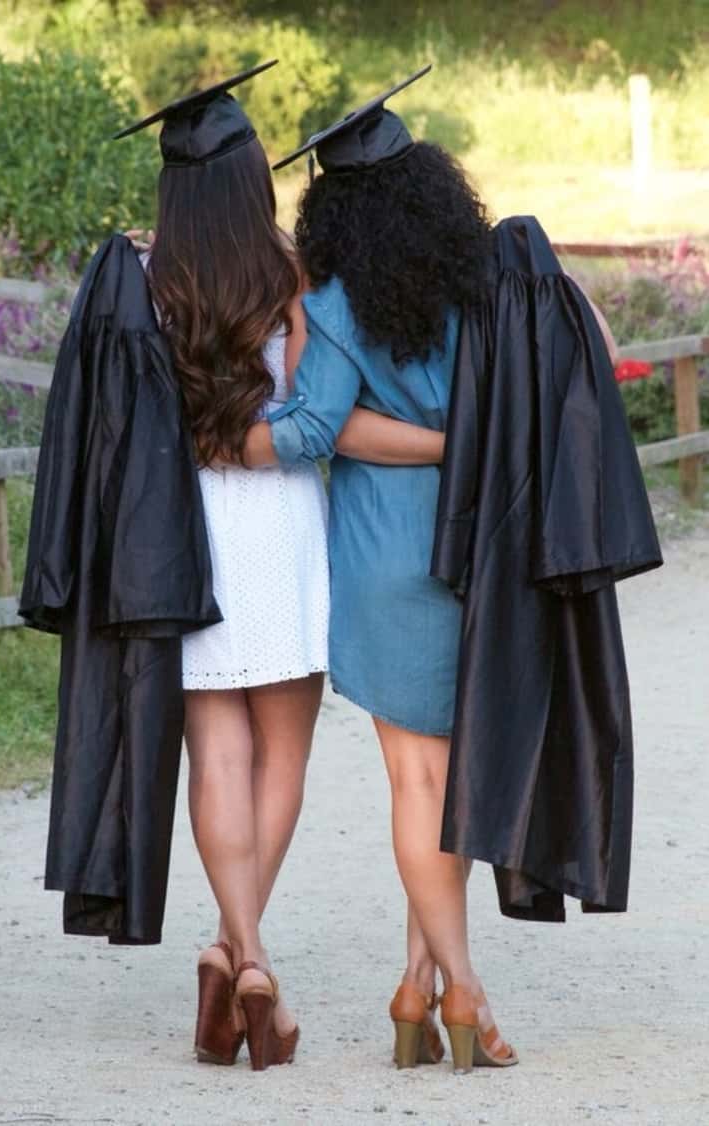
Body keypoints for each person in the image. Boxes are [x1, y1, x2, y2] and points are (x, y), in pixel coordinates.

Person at [238, 66, 656, 1073]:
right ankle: (420, 985)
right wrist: (480, 430)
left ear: (330, 208)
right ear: (432, 184)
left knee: (418, 777)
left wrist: (230, 438)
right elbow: (591, 357)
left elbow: (320, 427)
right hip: (488, 550)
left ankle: (456, 986)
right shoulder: (498, 281)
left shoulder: (328, 299)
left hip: (387, 556)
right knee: (454, 773)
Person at [117, 63, 446, 1071]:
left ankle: (243, 951)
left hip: (192, 534)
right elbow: (314, 415)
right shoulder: (293, 274)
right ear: (255, 181)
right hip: (284, 529)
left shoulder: (144, 283)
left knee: (213, 751)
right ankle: (244, 954)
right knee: (283, 758)